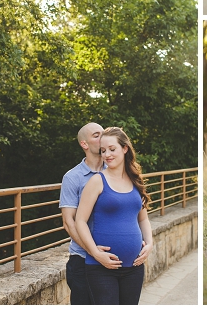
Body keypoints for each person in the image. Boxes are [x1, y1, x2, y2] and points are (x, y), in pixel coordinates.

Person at [75, 127, 153, 305]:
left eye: (112, 149)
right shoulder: (97, 181)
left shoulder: (136, 181)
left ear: (125, 148)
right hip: (101, 268)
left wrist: (150, 243)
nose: (107, 155)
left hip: (134, 267)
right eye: (103, 151)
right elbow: (80, 221)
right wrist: (95, 252)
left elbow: (143, 218)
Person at [60, 122, 116, 305]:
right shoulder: (72, 177)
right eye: (96, 135)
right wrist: (93, 250)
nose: (102, 138)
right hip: (82, 260)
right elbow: (69, 222)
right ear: (84, 144)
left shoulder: (117, 172)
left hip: (113, 257)